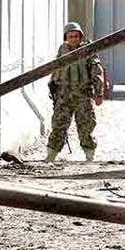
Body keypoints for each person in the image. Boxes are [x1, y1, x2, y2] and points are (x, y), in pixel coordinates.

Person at [46, 22, 104, 162]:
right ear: (66, 37)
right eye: (70, 36)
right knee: (58, 126)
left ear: (80, 37)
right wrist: (54, 90)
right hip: (63, 95)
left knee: (86, 126)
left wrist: (99, 93)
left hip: (82, 95)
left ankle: (89, 155)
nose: (73, 39)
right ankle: (51, 155)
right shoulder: (62, 50)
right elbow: (56, 72)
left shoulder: (88, 50)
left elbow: (97, 72)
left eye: (76, 36)